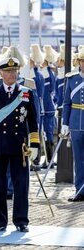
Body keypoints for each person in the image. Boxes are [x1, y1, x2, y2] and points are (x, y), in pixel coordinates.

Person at [0, 57, 40, 233]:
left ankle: (21, 221)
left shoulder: (26, 93)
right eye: (7, 71)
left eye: (14, 71)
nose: (11, 74)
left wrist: (34, 143)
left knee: (21, 185)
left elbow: (33, 121)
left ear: (18, 72)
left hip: (20, 147)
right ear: (1, 73)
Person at [61, 47, 84, 202]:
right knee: (78, 159)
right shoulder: (71, 78)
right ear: (79, 62)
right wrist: (65, 123)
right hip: (76, 122)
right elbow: (67, 103)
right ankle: (80, 190)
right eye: (83, 61)